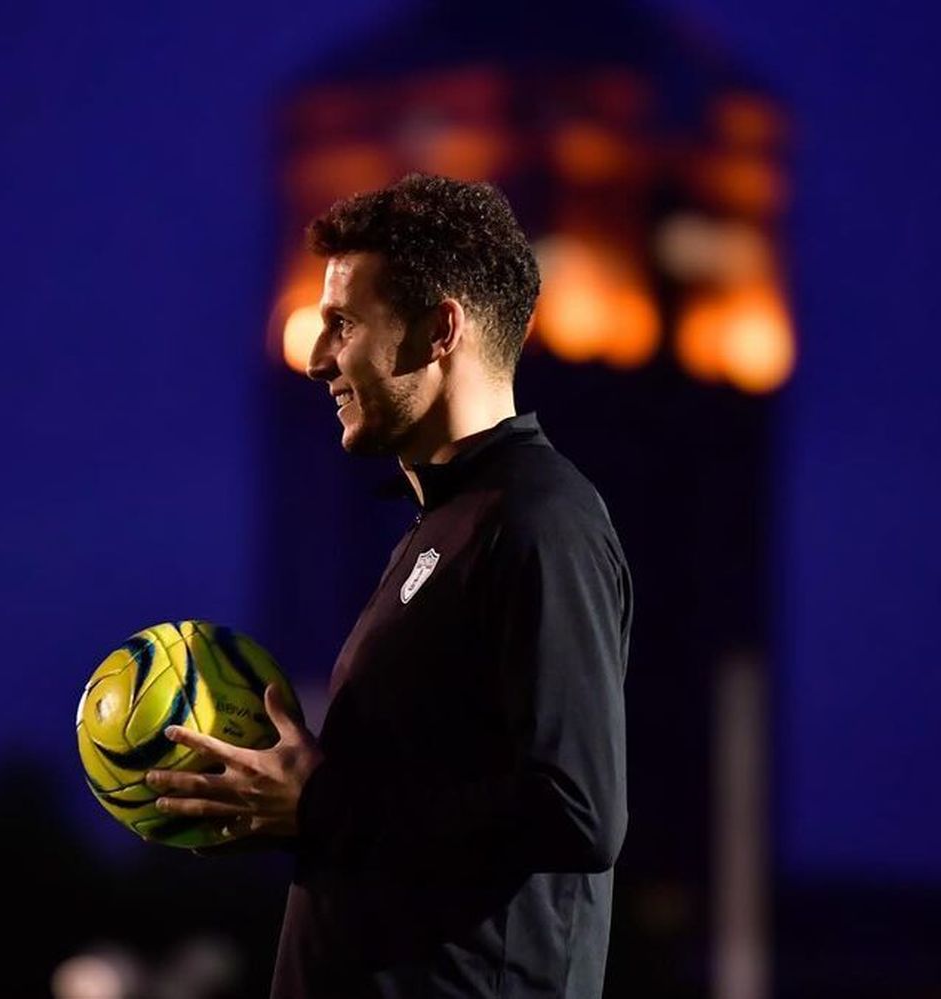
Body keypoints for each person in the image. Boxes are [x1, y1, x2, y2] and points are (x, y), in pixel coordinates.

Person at [145, 174, 632, 998]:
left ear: (440, 328)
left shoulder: (541, 518)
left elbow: (579, 810)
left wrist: (325, 803)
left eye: (343, 324)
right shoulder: (441, 524)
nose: (315, 357)